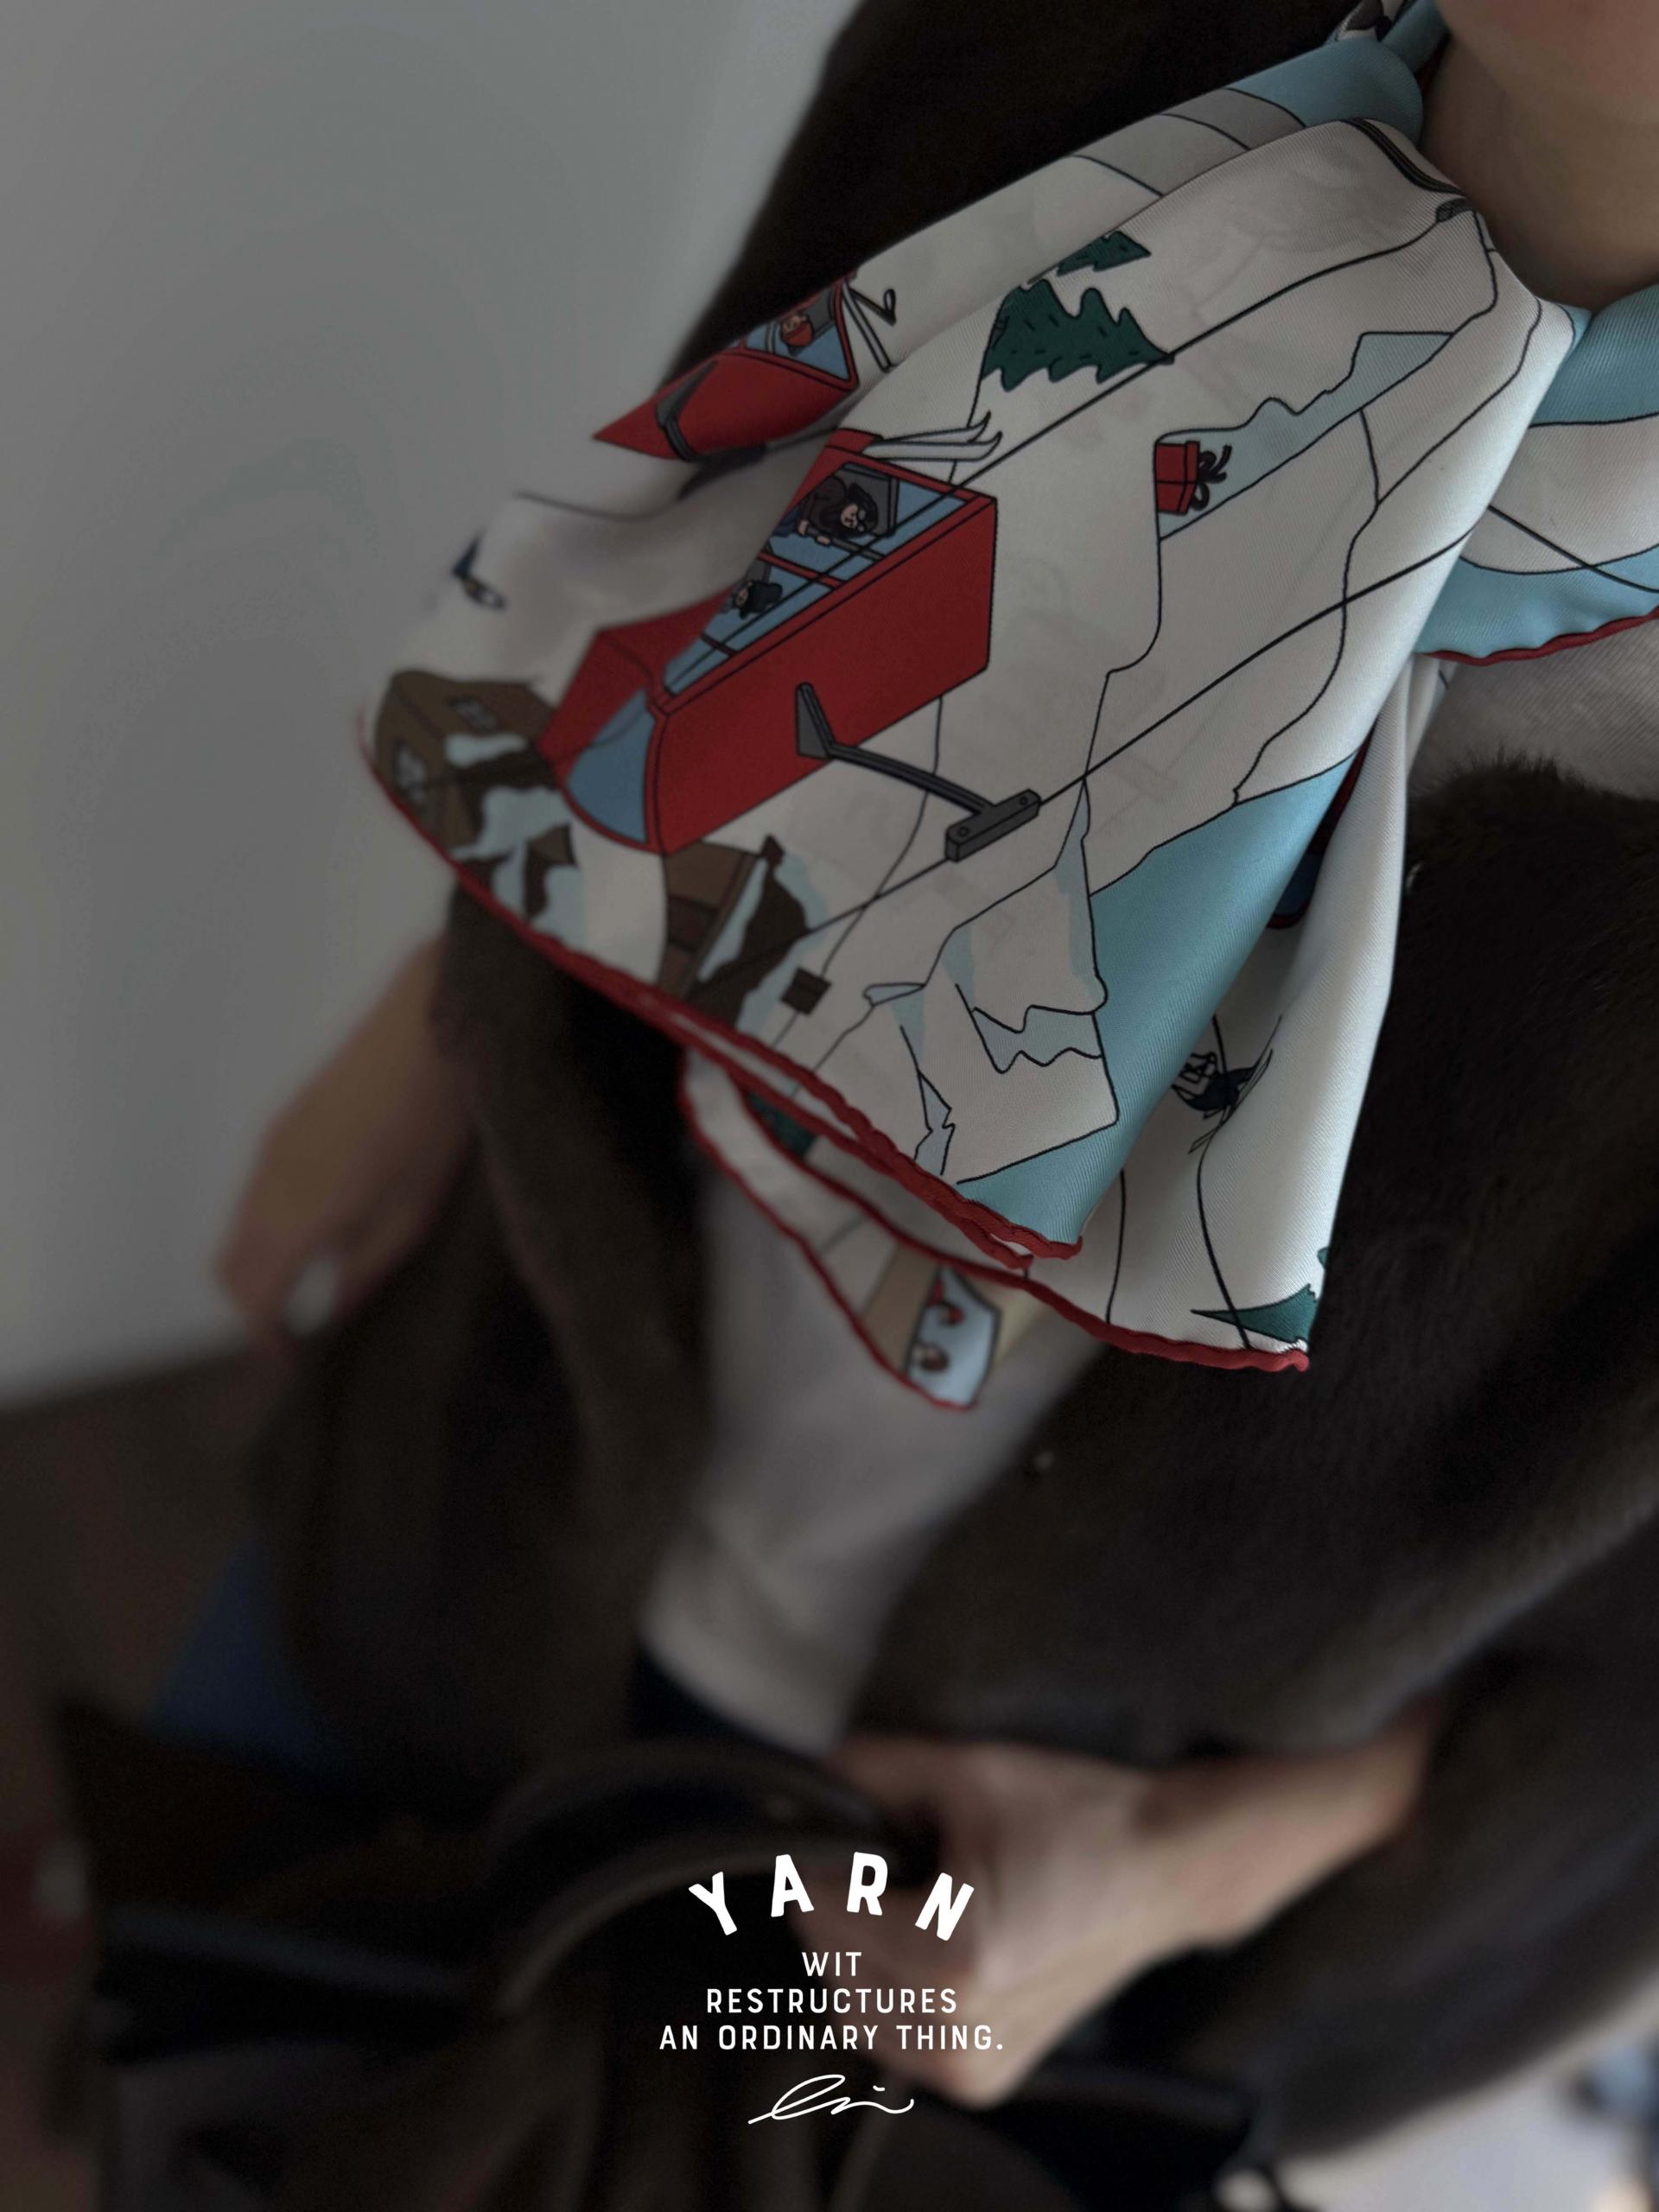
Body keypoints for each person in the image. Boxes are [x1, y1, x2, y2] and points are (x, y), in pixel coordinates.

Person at [217, 0, 1659, 2112]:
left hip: (988, 1882)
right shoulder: (1085, 36)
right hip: (500, 1430)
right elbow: (702, 609)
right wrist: (439, 1033)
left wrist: (1172, 1876)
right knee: (202, 2041)